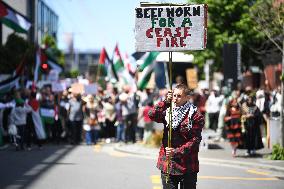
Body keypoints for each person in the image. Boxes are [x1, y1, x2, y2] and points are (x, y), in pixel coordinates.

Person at [148, 84, 204, 189]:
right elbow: (152, 114)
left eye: (179, 96)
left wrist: (176, 151)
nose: (175, 98)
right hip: (168, 164)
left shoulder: (195, 115)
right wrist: (165, 102)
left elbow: (195, 140)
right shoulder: (168, 111)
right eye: (174, 95)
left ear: (187, 97)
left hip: (188, 165)